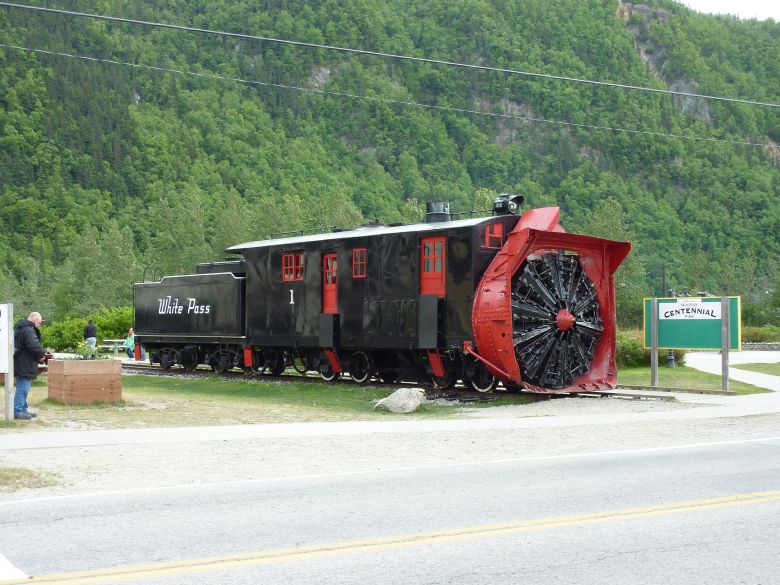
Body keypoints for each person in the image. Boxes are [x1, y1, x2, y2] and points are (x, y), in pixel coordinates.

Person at [13, 312, 46, 421]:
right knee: (23, 388)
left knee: (23, 387)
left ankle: (23, 409)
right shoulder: (28, 329)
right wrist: (42, 354)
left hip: (21, 361)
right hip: (25, 362)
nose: (39, 325)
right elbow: (33, 344)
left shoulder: (21, 327)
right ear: (35, 319)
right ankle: (18, 411)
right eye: (39, 323)